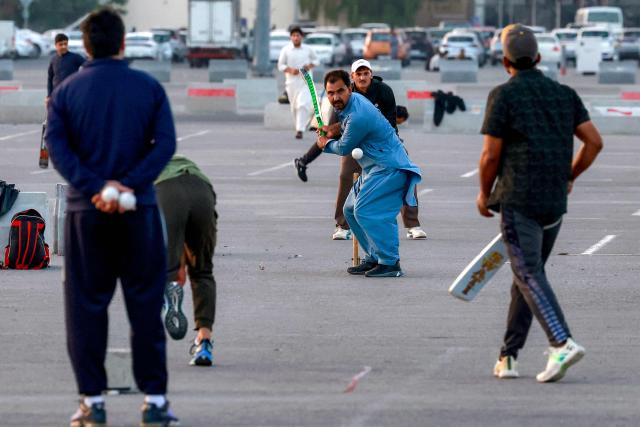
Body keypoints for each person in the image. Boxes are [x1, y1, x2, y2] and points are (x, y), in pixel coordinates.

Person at [46, 8, 179, 426]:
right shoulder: (148, 87)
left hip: (87, 215)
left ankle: (92, 402)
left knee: (86, 308)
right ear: (123, 43)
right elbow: (165, 145)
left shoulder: (66, 92)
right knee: (144, 305)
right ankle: (155, 402)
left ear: (85, 45)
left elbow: (59, 149)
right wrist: (128, 185)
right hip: (138, 210)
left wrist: (95, 187)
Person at [477, 24, 603, 383]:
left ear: (505, 62)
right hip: (554, 203)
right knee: (527, 275)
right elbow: (594, 142)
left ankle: (561, 341)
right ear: (539, 58)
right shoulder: (564, 93)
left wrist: (484, 193)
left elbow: (490, 155)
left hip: (519, 199)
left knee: (527, 273)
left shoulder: (504, 96)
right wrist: (571, 176)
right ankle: (509, 357)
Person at [295, 59, 427, 240]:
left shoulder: (384, 91)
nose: (363, 77)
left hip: (384, 143)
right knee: (345, 175)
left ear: (371, 74)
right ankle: (342, 226)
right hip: (355, 141)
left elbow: (389, 121)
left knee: (405, 172)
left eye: (366, 73)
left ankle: (413, 225)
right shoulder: (343, 95)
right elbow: (336, 127)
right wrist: (328, 131)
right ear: (352, 77)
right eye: (359, 74)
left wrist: (331, 136)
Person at [317, 69, 421, 277]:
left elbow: (345, 148)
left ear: (350, 88)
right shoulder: (350, 105)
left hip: (390, 167)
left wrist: (325, 144)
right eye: (330, 93)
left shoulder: (358, 115)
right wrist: (330, 132)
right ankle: (374, 256)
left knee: (367, 211)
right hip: (373, 167)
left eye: (340, 91)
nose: (335, 97)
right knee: (349, 210)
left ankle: (391, 263)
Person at [155, 155, 218, 367]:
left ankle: (170, 286)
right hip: (203, 192)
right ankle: (204, 343)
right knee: (202, 271)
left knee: (163, 267)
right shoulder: (185, 162)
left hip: (165, 190)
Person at [277, 26, 319, 139]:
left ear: (301, 37)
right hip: (291, 82)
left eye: (298, 36)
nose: (296, 38)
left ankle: (300, 130)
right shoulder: (286, 50)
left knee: (303, 104)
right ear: (291, 37)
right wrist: (290, 70)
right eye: (294, 36)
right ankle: (299, 126)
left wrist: (308, 66)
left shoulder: (308, 49)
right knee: (295, 106)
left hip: (306, 81)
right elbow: (280, 65)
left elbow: (316, 60)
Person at [46, 33, 85, 108]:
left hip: (72, 95)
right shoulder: (53, 60)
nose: (64, 46)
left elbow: (89, 66)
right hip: (57, 95)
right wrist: (49, 95)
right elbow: (50, 78)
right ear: (56, 45)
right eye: (61, 44)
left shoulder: (75, 57)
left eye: (65, 44)